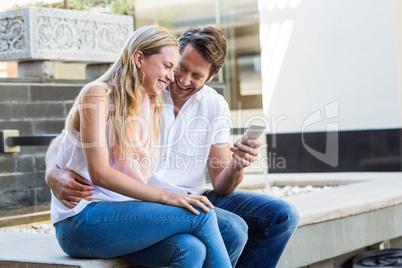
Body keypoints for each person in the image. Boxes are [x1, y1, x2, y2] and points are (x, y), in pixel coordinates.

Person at [46, 25, 300, 268]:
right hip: (118, 205)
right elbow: (71, 138)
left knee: (272, 219)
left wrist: (237, 164)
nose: (178, 78)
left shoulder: (171, 98)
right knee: (221, 224)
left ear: (210, 77)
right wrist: (52, 172)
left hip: (164, 200)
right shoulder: (137, 90)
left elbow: (221, 185)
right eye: (176, 66)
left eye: (196, 75)